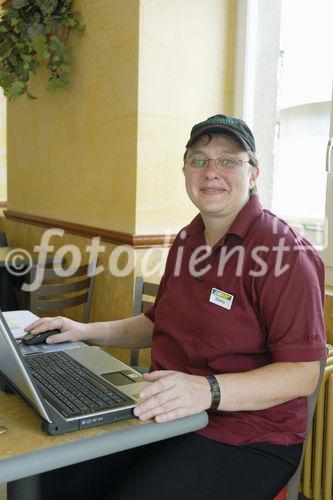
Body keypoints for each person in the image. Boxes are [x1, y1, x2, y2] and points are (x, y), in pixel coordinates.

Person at [26, 114, 327, 500]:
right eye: (198, 160)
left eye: (229, 159)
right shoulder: (188, 238)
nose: (211, 171)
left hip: (249, 439)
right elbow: (158, 321)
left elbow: (302, 375)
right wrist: (86, 331)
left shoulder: (285, 252)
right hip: (167, 415)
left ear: (253, 173)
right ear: (185, 171)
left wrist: (207, 390)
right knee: (58, 474)